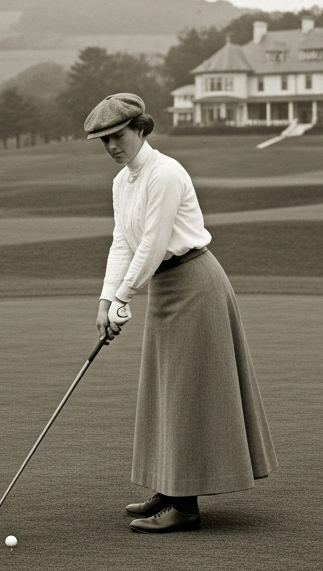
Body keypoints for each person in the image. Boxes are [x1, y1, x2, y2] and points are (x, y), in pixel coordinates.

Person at [86, 93, 277, 533]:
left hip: (195, 283)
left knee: (186, 391)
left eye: (117, 136)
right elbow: (123, 243)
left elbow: (154, 244)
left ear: (140, 129)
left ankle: (184, 507)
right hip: (165, 288)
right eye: (104, 141)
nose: (112, 146)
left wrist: (124, 297)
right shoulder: (122, 182)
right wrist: (105, 299)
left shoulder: (165, 173)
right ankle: (169, 488)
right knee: (165, 388)